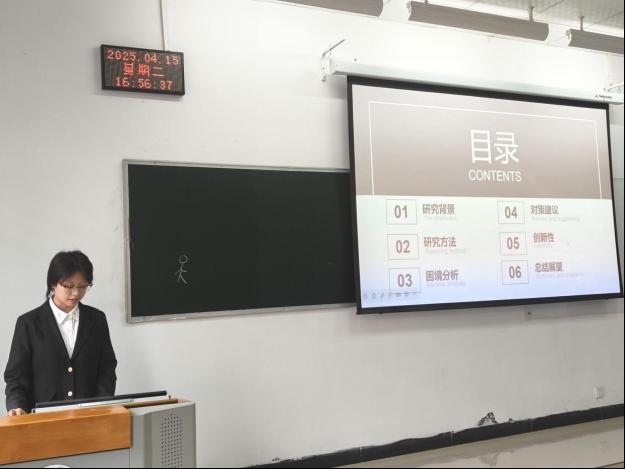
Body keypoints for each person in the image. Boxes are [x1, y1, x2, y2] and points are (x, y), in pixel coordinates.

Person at [4, 250, 117, 415]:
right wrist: (17, 406)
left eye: (83, 286)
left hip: (90, 417)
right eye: (69, 286)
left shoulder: (97, 319)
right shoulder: (28, 323)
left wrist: (100, 405)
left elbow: (107, 367)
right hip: (44, 419)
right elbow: (16, 376)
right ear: (53, 283)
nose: (76, 293)